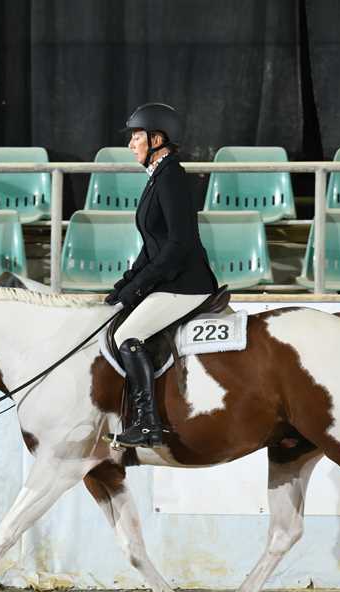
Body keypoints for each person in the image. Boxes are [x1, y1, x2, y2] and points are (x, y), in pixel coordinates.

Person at [105, 102, 219, 448]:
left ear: (156, 139)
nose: (130, 145)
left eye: (136, 137)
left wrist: (141, 286)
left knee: (128, 335)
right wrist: (127, 283)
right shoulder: (158, 177)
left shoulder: (171, 178)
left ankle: (147, 423)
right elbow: (153, 244)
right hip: (171, 279)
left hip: (186, 284)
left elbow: (178, 245)